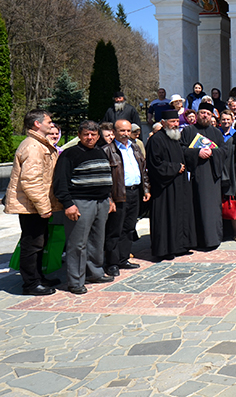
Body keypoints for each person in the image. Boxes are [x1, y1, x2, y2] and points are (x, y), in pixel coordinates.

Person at [52, 120, 115, 295]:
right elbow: (60, 181)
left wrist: (109, 198)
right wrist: (68, 204)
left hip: (101, 202)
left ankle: (95, 273)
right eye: (86, 134)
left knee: (97, 240)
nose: (89, 137)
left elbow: (106, 177)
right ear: (79, 135)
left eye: (93, 134)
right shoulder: (70, 154)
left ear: (98, 136)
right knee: (77, 244)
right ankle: (75, 281)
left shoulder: (100, 152)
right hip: (80, 203)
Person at [5, 109, 61, 296]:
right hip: (31, 206)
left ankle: (38, 277)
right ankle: (30, 283)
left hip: (36, 205)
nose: (51, 124)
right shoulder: (33, 147)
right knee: (32, 244)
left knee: (39, 242)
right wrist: (43, 207)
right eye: (49, 121)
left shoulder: (40, 144)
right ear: (37, 124)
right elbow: (30, 181)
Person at [100, 120, 150, 277]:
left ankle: (123, 258)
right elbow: (105, 177)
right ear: (114, 132)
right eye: (122, 131)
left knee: (129, 228)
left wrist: (146, 189)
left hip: (135, 191)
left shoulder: (135, 147)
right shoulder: (108, 150)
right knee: (115, 229)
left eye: (128, 130)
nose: (126, 134)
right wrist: (109, 198)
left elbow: (143, 169)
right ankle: (112, 263)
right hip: (118, 194)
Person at [145, 110, 196, 260]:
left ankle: (181, 246)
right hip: (165, 188)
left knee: (181, 214)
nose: (176, 124)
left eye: (177, 121)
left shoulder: (175, 138)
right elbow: (154, 164)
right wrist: (175, 168)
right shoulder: (156, 140)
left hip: (180, 185)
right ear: (163, 123)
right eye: (172, 121)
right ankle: (165, 250)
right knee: (166, 217)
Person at [181, 102, 226, 250]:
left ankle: (212, 240)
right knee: (194, 209)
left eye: (208, 113)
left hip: (211, 178)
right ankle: (195, 241)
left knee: (211, 210)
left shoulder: (216, 132)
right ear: (197, 114)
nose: (205, 116)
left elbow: (224, 151)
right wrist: (196, 152)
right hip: (194, 177)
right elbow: (180, 149)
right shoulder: (188, 131)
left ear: (212, 116)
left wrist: (213, 152)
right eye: (202, 113)